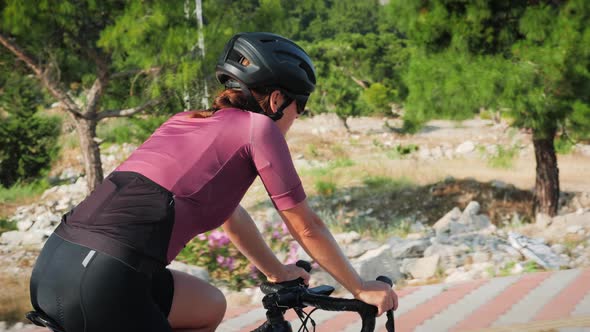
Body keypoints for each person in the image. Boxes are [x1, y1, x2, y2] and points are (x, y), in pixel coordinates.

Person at [29, 32, 398, 332]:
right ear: (276, 100)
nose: (294, 122)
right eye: (298, 111)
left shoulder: (187, 120)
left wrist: (276, 271)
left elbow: (230, 214)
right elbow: (306, 225)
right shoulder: (260, 129)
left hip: (55, 264)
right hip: (104, 278)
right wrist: (361, 288)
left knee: (208, 306)